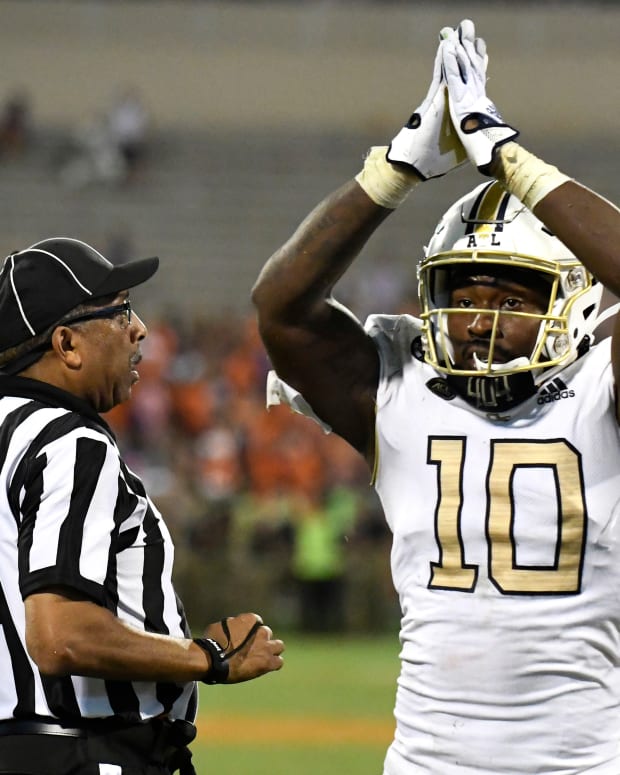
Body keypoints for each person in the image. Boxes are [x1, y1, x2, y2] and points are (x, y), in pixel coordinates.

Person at [252, 19, 620, 775]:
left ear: (574, 302)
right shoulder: (400, 386)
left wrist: (510, 159)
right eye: (464, 295)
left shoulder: (600, 388)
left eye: (511, 299)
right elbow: (280, 308)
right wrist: (394, 170)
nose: (479, 320)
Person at [0, 237, 284, 775]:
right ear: (67, 343)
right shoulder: (69, 442)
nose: (140, 329)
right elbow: (61, 636)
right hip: (78, 750)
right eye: (119, 312)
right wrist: (207, 658)